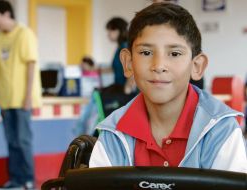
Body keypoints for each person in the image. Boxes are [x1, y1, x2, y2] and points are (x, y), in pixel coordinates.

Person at [89, 2, 247, 173]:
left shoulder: (220, 131)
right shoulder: (113, 134)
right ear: (128, 63)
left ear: (197, 66)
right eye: (146, 53)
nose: (159, 66)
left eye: (174, 54)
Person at [0, 0, 42, 189]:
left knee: (23, 140)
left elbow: (31, 65)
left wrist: (28, 96)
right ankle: (16, 180)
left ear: (7, 14)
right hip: (4, 101)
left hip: (22, 100)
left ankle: (28, 180)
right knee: (11, 141)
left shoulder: (24, 34)